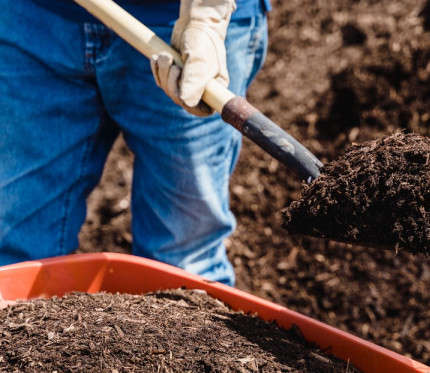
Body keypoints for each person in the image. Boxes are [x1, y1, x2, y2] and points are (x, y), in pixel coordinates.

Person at [0, 0, 271, 286]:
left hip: (176, 24)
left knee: (183, 270)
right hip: (40, 17)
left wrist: (207, 16)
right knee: (16, 255)